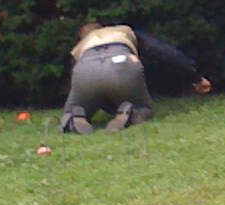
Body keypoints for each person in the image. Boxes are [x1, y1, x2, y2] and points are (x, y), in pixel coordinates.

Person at [60, 23, 211, 133]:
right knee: (144, 107)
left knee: (74, 107)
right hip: (124, 63)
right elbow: (166, 53)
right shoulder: (123, 31)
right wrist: (196, 78)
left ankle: (74, 117)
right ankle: (132, 112)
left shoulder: (80, 47)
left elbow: (75, 83)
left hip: (86, 68)